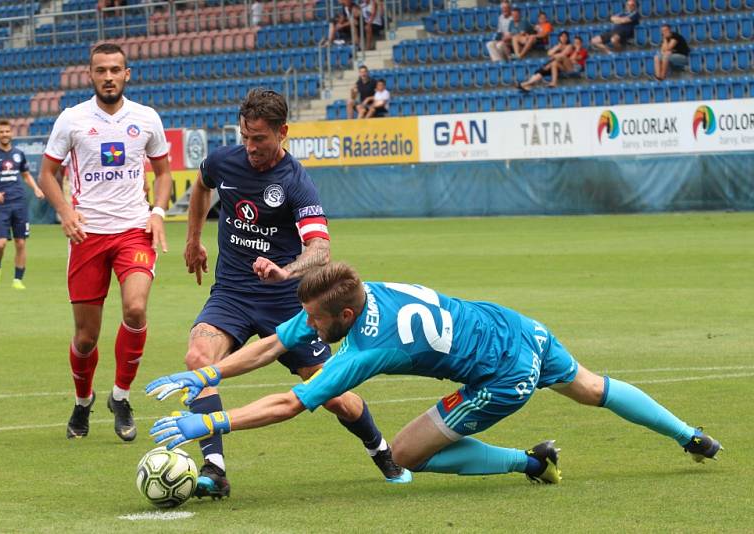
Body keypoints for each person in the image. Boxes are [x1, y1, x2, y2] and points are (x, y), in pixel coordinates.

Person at [148, 262, 723, 486]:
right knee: (594, 389)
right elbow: (274, 344)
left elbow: (293, 403)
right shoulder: (354, 293)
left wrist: (211, 424)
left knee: (405, 453)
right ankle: (689, 436)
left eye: (319, 323)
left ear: (344, 317)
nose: (311, 329)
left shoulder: (366, 348)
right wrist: (205, 377)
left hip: (502, 376)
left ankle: (532, 462)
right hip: (517, 325)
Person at [179, 89, 409, 500]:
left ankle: (380, 448)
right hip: (231, 293)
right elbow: (201, 186)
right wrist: (194, 240)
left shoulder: (296, 182)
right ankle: (214, 468)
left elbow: (321, 249)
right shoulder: (224, 162)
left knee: (334, 395)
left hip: (285, 303)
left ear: (283, 132)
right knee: (199, 360)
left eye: (260, 139)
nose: (251, 147)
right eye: (246, 136)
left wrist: (284, 271)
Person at [38, 43, 173, 443]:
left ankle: (121, 396)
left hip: (134, 230)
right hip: (87, 235)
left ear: (127, 74)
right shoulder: (72, 119)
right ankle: (83, 401)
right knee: (86, 338)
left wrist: (158, 212)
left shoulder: (146, 119)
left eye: (116, 69)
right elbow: (47, 173)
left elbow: (163, 173)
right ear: (91, 75)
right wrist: (65, 211)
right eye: (101, 70)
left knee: (135, 308)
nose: (109, 76)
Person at [0, 119, 45, 290]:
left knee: (20, 243)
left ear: (12, 133)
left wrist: (36, 189)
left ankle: (17, 279)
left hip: (19, 203)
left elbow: (25, 175)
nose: (4, 134)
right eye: (1, 132)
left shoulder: (18, 154)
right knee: (0, 244)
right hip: (1, 205)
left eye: (7, 131)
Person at [519, 33, 587, 90]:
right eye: (575, 42)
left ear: (581, 43)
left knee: (561, 57)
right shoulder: (572, 50)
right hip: (566, 67)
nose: (576, 44)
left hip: (575, 68)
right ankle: (553, 82)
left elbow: (572, 58)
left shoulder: (583, 51)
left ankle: (548, 66)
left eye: (578, 43)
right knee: (554, 63)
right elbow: (549, 53)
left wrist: (577, 50)